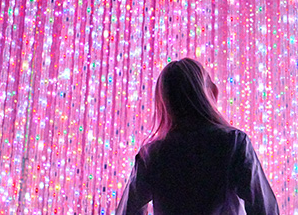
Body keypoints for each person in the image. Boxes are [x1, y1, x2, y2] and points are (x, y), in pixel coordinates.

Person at [116, 58, 279, 214]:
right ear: (209, 93)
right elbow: (264, 207)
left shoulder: (152, 154)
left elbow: (128, 210)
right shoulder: (233, 142)